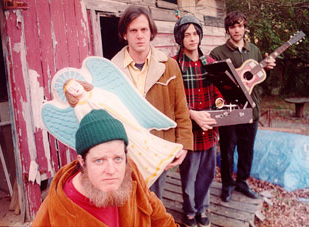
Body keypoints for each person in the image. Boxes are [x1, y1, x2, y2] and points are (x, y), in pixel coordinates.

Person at [32, 109, 179, 226]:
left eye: (118, 159)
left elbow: (161, 219)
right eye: (99, 161)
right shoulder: (56, 210)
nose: (111, 170)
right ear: (82, 162)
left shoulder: (131, 174)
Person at [112, 5, 193, 200]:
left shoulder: (169, 66)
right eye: (133, 30)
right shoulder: (111, 70)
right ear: (124, 34)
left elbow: (180, 109)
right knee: (127, 204)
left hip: (159, 148)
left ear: (151, 32)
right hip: (126, 151)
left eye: (144, 29)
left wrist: (184, 144)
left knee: (153, 202)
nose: (139, 35)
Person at [63, 79, 183, 187]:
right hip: (107, 135)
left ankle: (158, 157)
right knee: (127, 153)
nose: (75, 89)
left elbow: (113, 101)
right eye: (71, 90)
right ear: (70, 95)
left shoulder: (97, 92)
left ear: (81, 83)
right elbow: (86, 125)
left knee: (139, 140)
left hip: (121, 122)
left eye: (75, 85)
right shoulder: (79, 107)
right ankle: (141, 173)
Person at [210, 11, 276, 202]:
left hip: (252, 109)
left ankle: (242, 182)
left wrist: (268, 70)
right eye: (232, 26)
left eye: (240, 26)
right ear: (228, 29)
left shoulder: (254, 50)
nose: (237, 30)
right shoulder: (218, 53)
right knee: (228, 150)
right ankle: (227, 185)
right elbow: (216, 82)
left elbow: (258, 79)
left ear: (245, 27)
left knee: (247, 149)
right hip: (230, 111)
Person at [173, 15, 223, 227]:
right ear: (180, 38)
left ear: (200, 36)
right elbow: (172, 101)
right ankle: (190, 210)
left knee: (207, 174)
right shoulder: (174, 65)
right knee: (189, 174)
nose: (192, 38)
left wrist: (220, 105)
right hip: (188, 130)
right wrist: (191, 113)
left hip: (209, 129)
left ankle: (202, 208)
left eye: (195, 33)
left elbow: (220, 93)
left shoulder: (211, 63)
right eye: (187, 34)